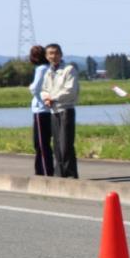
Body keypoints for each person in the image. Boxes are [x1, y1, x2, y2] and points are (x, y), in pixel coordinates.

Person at [41, 43, 79, 178]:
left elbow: (70, 90)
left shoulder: (69, 69)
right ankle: (60, 175)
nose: (53, 56)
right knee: (56, 145)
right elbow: (44, 90)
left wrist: (52, 98)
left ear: (61, 54)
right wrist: (46, 98)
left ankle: (71, 175)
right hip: (54, 110)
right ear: (46, 56)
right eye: (50, 53)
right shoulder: (48, 72)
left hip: (66, 109)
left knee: (65, 145)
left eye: (56, 53)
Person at [27, 45, 53, 176]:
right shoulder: (50, 67)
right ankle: (44, 170)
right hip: (50, 110)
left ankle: (44, 170)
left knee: (40, 143)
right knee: (45, 142)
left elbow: (35, 88)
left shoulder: (41, 69)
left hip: (40, 109)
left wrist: (30, 86)